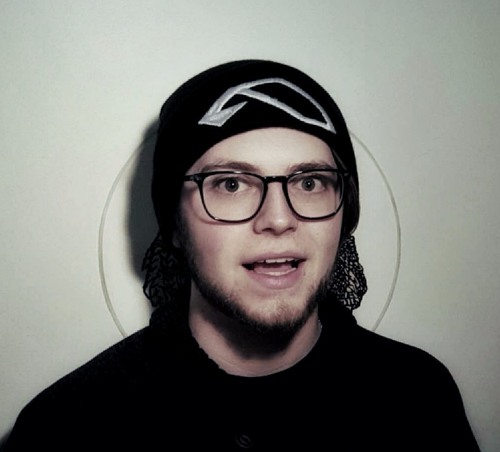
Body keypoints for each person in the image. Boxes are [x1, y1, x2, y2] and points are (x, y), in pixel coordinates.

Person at [4, 60, 480, 451]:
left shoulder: (419, 397)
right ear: (172, 224)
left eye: (310, 182)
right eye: (231, 184)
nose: (278, 218)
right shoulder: (66, 429)